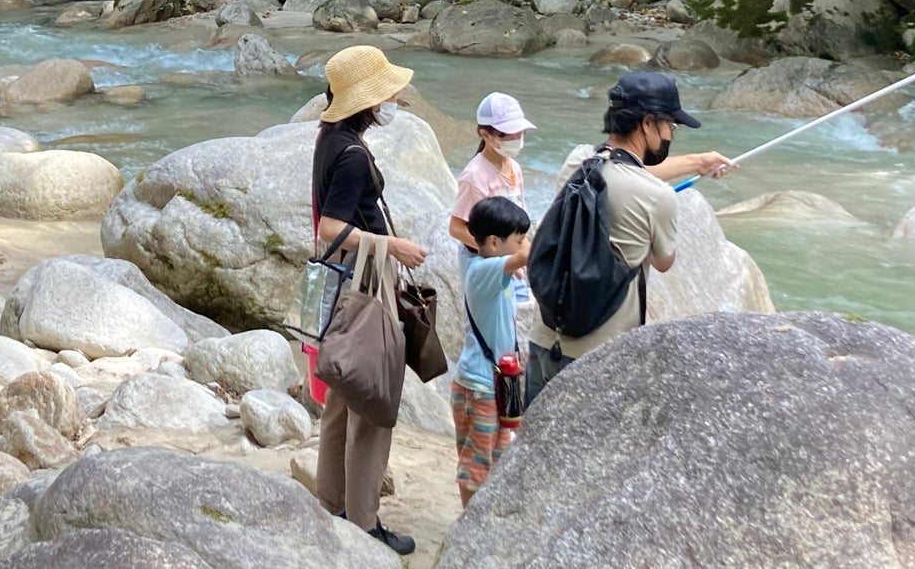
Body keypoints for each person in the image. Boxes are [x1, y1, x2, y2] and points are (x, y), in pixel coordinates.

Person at [524, 71, 731, 404]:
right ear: (648, 123)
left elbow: (620, 165)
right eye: (671, 127)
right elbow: (664, 261)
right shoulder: (658, 197)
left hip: (543, 343)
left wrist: (697, 163)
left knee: (532, 449)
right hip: (598, 358)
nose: (671, 136)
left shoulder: (576, 163)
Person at [311, 45, 429, 557]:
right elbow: (331, 229)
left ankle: (331, 503)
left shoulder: (330, 137)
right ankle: (363, 522)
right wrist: (393, 247)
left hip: (341, 284)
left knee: (341, 394)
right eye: (386, 89)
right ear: (368, 99)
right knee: (373, 401)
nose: (395, 95)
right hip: (363, 284)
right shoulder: (355, 154)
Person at [453, 195, 531, 506]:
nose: (524, 244)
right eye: (520, 239)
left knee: (496, 456)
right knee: (477, 463)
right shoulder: (483, 272)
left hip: (496, 382)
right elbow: (524, 257)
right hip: (479, 386)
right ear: (495, 243)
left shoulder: (491, 265)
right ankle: (468, 527)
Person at [449, 92, 533, 251]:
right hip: (486, 261)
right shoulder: (475, 175)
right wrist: (495, 253)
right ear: (485, 135)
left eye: (520, 131)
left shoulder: (514, 167)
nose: (516, 138)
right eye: (506, 134)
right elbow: (457, 228)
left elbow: (519, 225)